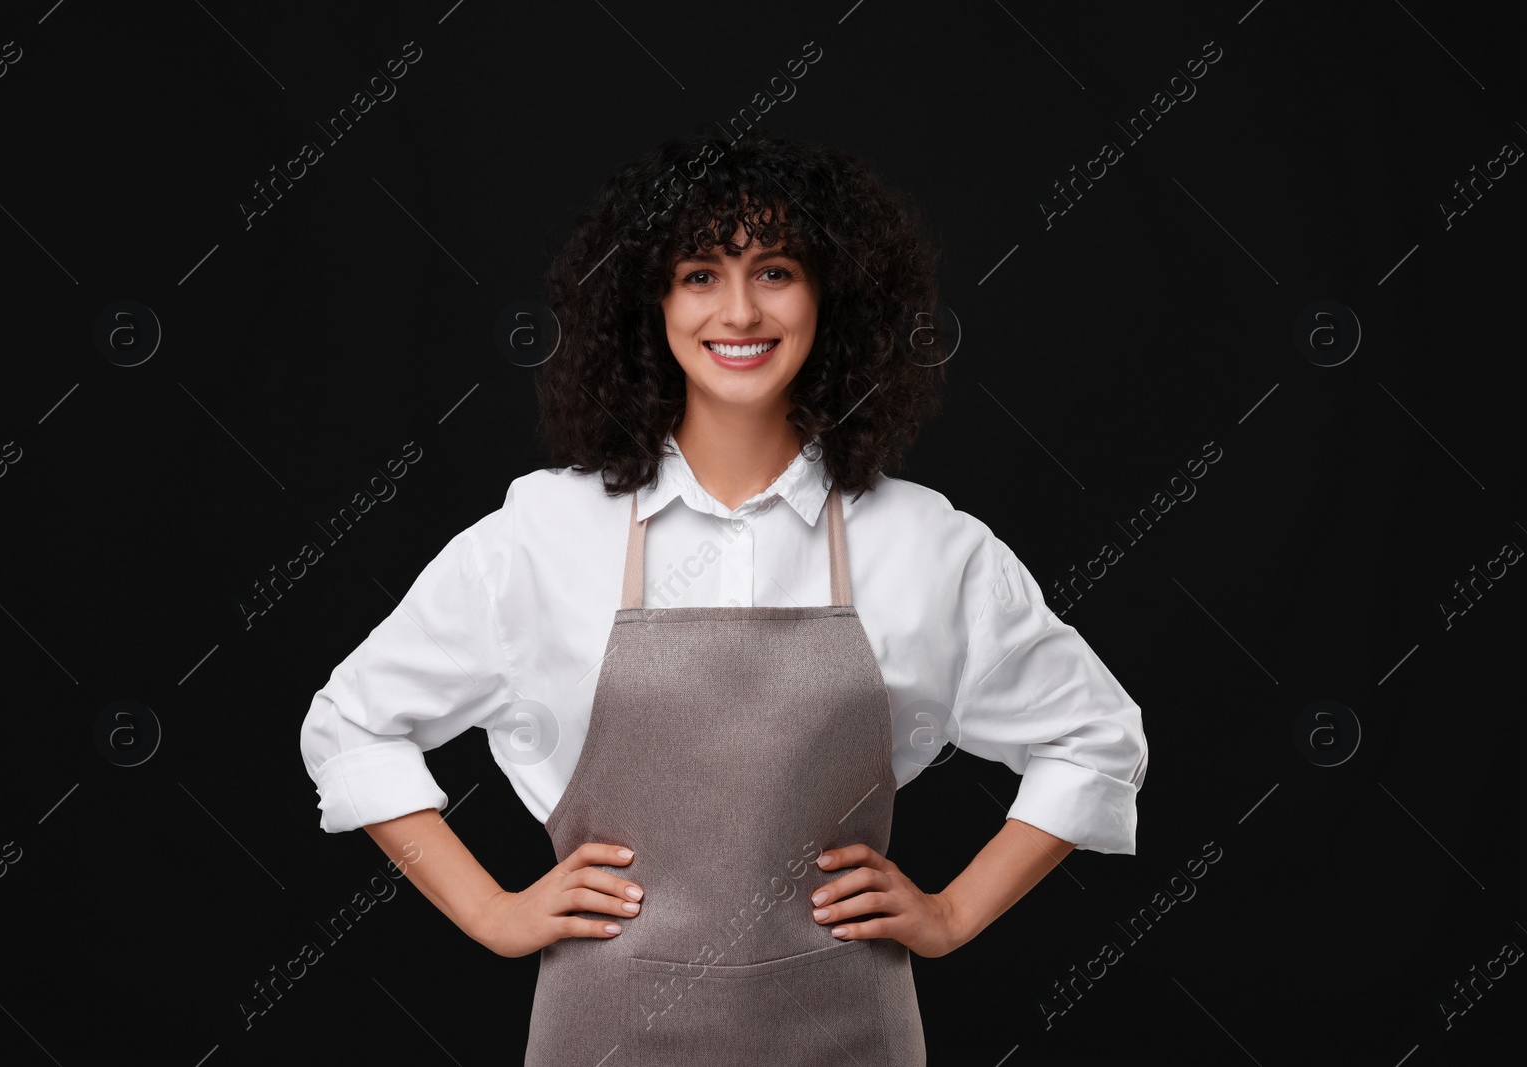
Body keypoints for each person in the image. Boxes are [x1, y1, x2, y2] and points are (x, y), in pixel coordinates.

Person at [300, 129, 1147, 1064]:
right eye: (700, 273)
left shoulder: (922, 543)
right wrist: (492, 912)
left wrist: (949, 913)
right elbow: (351, 725)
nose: (739, 310)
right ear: (647, 301)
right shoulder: (544, 532)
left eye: (775, 270)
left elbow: (1097, 737)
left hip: (850, 1035)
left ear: (834, 295)